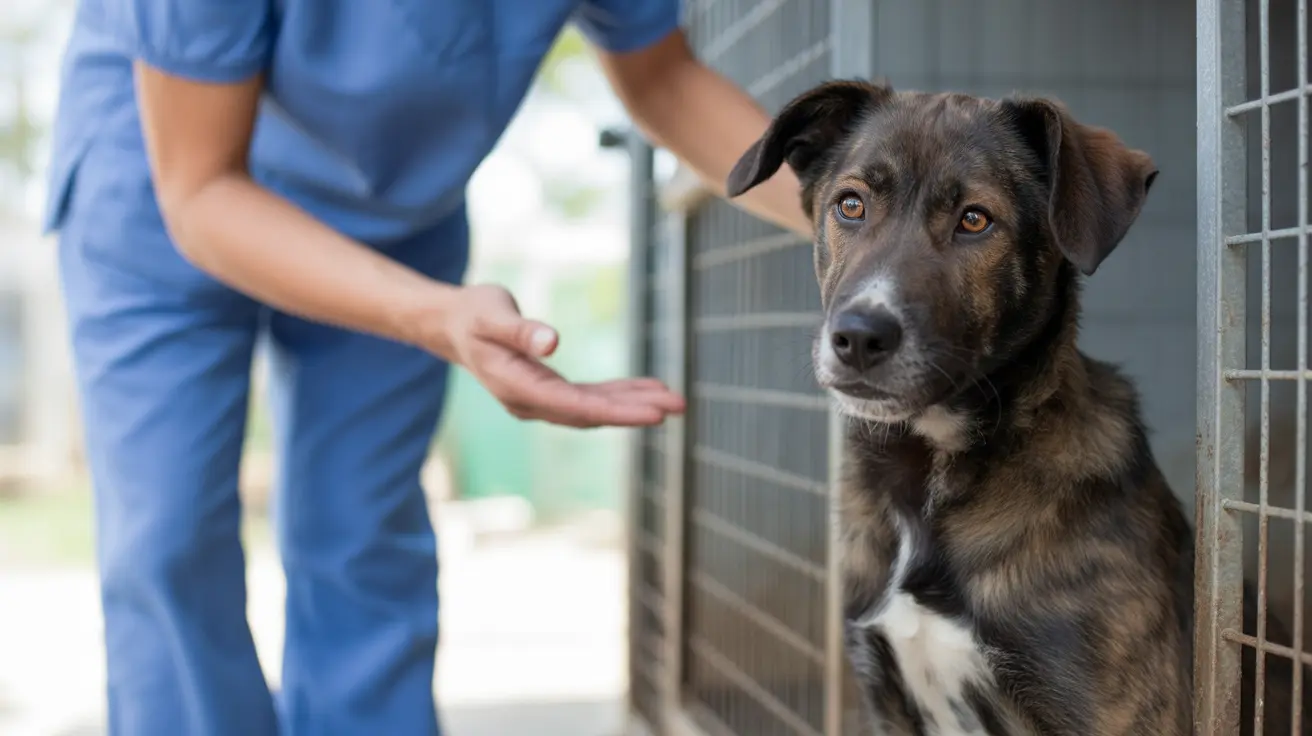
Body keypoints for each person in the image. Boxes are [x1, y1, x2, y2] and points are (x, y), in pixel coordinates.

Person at [45, 1, 809, 735]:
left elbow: (664, 78)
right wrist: (433, 316)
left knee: (362, 539)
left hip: (395, 213)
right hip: (162, 191)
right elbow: (202, 186)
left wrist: (865, 216)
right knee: (167, 542)